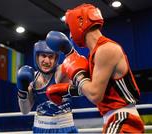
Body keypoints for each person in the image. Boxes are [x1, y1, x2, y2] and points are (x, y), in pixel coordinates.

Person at [45, 3, 145, 133]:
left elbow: (95, 94)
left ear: (80, 22)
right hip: (116, 119)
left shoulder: (106, 49)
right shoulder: (97, 53)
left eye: (70, 27)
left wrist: (78, 75)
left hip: (122, 119)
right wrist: (67, 90)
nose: (70, 34)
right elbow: (94, 89)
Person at [16, 40, 78, 133]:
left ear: (56, 58)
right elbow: (25, 111)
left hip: (63, 128)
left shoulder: (60, 71)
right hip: (40, 129)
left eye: (51, 57)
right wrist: (22, 91)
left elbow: (75, 62)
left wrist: (69, 49)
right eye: (43, 56)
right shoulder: (32, 78)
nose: (47, 61)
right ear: (37, 57)